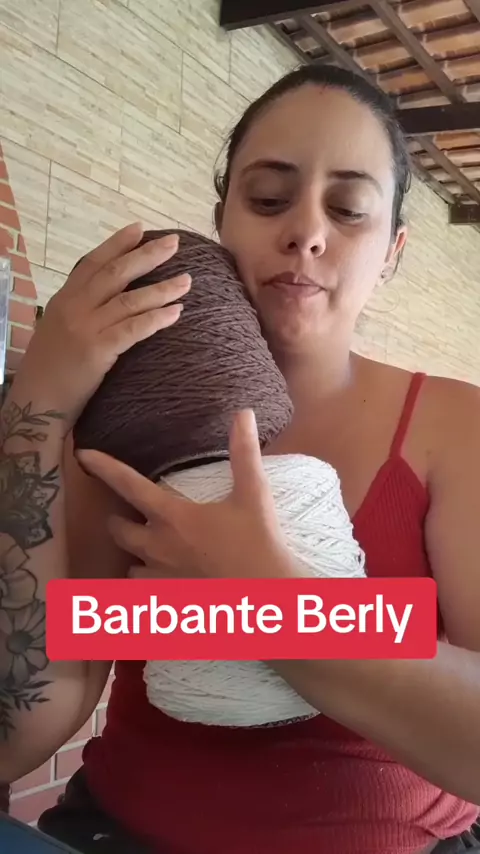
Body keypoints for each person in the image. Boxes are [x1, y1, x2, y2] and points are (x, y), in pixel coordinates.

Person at [1, 64, 480, 854]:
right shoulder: (129, 427)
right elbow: (21, 730)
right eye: (267, 198)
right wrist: (38, 406)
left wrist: (269, 601)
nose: (306, 231)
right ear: (222, 217)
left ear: (392, 250)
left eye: (348, 210)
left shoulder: (457, 428)